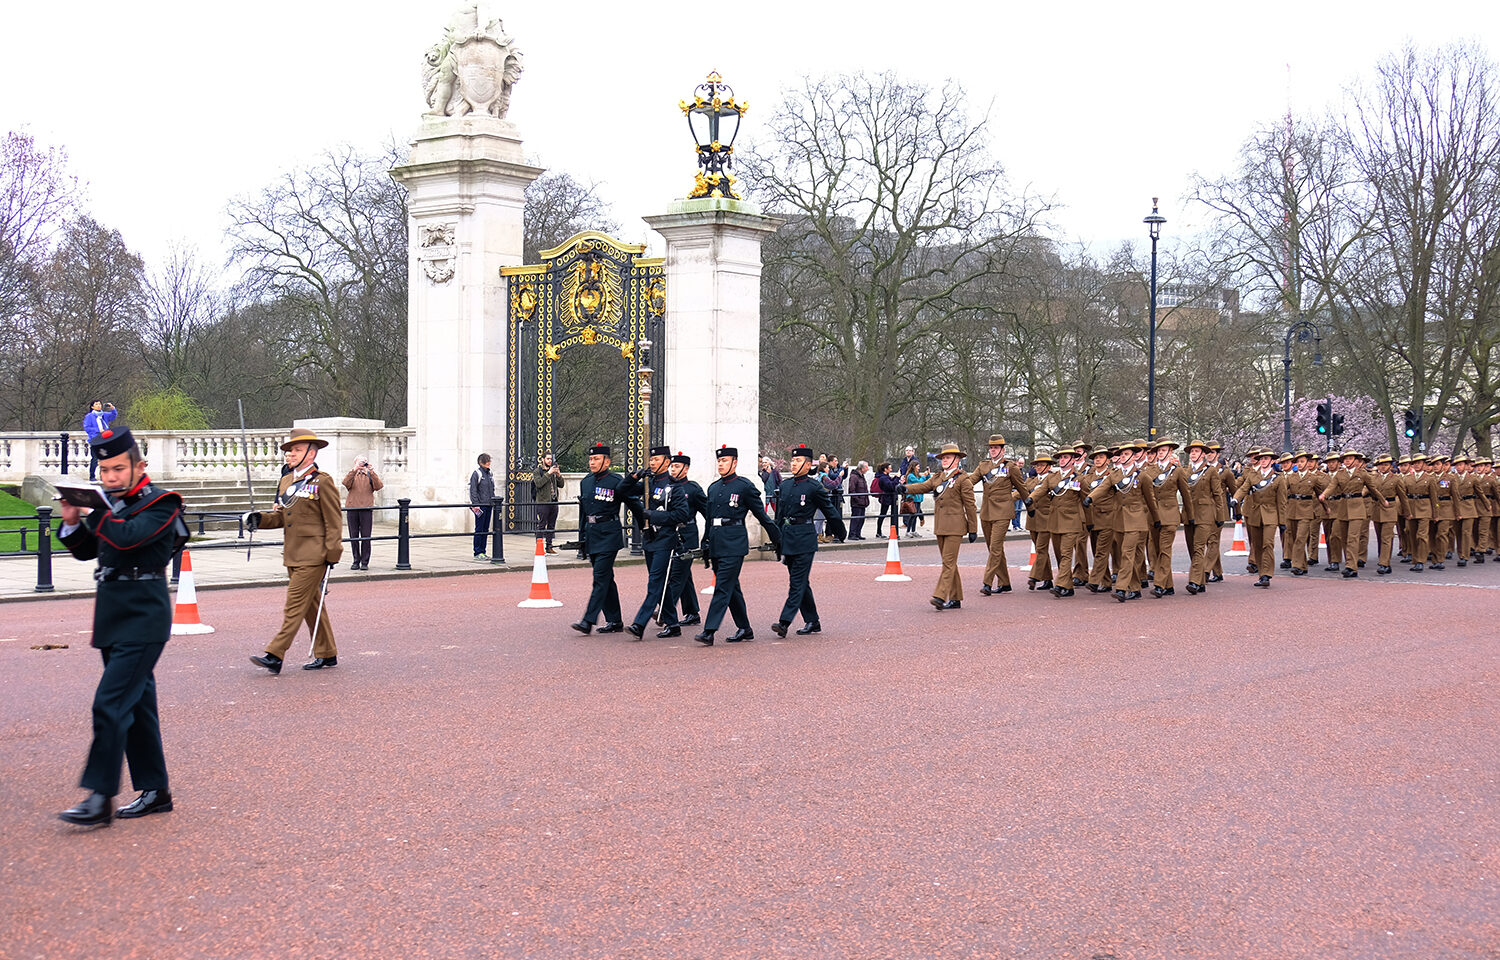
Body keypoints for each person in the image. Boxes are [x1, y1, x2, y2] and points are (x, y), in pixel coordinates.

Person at [55, 425, 187, 826]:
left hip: (144, 618)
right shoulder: (110, 504)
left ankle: (100, 798)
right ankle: (156, 790)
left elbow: (129, 538)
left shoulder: (164, 503)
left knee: (109, 704)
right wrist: (74, 520)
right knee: (138, 706)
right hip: (113, 615)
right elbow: (87, 551)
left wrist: (101, 511)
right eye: (104, 470)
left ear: (139, 465)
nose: (110, 477)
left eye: (117, 469)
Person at [246, 427, 345, 672]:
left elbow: (333, 521)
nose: (291, 454)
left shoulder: (323, 481)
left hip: (314, 554)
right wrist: (259, 519)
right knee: (311, 606)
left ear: (311, 454)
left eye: (297, 450)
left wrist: (333, 552)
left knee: (294, 605)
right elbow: (282, 518)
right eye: (290, 449)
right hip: (293, 553)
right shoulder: (287, 481)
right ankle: (327, 653)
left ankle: (275, 654)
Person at [695, 445, 779, 645]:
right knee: (732, 588)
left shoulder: (744, 486)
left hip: (734, 543)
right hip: (717, 541)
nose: (721, 464)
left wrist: (778, 537)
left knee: (722, 587)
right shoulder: (713, 488)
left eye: (725, 461)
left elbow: (761, 515)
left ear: (735, 462)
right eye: (719, 461)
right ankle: (745, 628)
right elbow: (709, 518)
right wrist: (705, 541)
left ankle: (709, 630)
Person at [771, 445, 847, 636]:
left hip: (805, 538)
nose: (794, 464)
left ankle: (784, 622)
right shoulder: (785, 485)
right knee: (801, 582)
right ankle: (813, 621)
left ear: (807, 465)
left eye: (798, 461)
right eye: (793, 461)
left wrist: (840, 532)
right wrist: (777, 538)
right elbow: (780, 515)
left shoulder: (814, 487)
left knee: (796, 582)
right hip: (788, 538)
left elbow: (830, 511)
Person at [570, 444, 640, 635]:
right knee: (606, 578)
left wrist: (646, 526)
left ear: (607, 461)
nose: (592, 462)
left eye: (596, 459)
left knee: (600, 577)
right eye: (591, 459)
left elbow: (634, 504)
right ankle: (615, 620)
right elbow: (584, 513)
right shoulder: (585, 482)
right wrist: (582, 539)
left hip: (609, 534)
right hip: (592, 534)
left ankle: (588, 620)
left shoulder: (616, 481)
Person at [901, 443, 978, 610]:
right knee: (949, 562)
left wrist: (973, 529)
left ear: (957, 460)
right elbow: (924, 486)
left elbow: (970, 506)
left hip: (955, 527)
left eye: (948, 457)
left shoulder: (963, 479)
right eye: (943, 457)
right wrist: (905, 488)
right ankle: (956, 598)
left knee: (948, 563)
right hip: (941, 525)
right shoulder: (938, 477)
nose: (944, 460)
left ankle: (940, 595)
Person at [649, 452, 706, 637]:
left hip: (687, 534)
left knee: (675, 576)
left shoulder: (693, 488)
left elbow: (708, 512)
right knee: (684, 575)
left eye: (676, 466)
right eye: (671, 466)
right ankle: (692, 612)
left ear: (686, 468)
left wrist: (709, 537)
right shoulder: (667, 486)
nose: (673, 469)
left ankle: (666, 610)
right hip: (670, 534)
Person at [626, 446, 679, 639]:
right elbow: (622, 492)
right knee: (661, 584)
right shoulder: (648, 483)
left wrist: (653, 515)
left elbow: (680, 514)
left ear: (667, 461)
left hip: (665, 539)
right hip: (650, 539)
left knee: (655, 583)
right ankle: (673, 624)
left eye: (656, 460)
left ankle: (639, 624)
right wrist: (634, 477)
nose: (652, 462)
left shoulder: (674, 486)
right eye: (651, 460)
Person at [966, 434, 1026, 595]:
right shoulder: (983, 466)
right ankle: (1005, 582)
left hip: (1003, 511)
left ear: (1002, 449)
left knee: (995, 548)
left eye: (996, 448)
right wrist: (957, 486)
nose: (993, 450)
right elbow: (971, 480)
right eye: (991, 448)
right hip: (986, 512)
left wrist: (1030, 504)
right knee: (994, 548)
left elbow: (1022, 488)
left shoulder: (1010, 467)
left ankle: (987, 582)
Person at [1139, 439, 1189, 598]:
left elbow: (1186, 495)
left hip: (1170, 514)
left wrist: (1190, 515)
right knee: (1158, 550)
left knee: (1165, 550)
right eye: (1158, 451)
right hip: (1153, 516)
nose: (1160, 453)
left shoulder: (1177, 471)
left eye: (1163, 451)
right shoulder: (1149, 470)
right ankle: (1169, 586)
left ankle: (1160, 585)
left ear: (1170, 452)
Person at [1036, 447, 1087, 598]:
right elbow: (1041, 491)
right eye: (1061, 457)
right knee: (1059, 554)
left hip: (1071, 521)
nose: (1062, 460)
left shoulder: (1079, 479)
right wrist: (1030, 499)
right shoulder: (1052, 478)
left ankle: (1059, 584)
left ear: (1072, 459)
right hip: (1055, 522)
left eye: (1065, 457)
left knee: (1066, 554)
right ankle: (1068, 586)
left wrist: (1089, 522)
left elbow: (1087, 501)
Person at [1180, 441, 1225, 593]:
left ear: (1203, 454)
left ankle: (1193, 581)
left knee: (1199, 547)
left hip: (1205, 514)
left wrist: (1220, 516)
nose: (1193, 454)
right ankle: (1200, 582)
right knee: (1191, 548)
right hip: (1188, 514)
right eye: (1191, 451)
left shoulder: (1210, 471)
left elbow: (1218, 495)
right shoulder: (1184, 471)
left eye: (1196, 451)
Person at [1234, 449, 1282, 587]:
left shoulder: (1278, 478)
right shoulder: (1253, 476)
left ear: (1272, 461)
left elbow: (1282, 502)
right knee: (1258, 545)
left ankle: (1267, 574)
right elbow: (1244, 488)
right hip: (1255, 514)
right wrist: (1236, 499)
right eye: (1261, 459)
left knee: (1268, 544)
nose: (1263, 461)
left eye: (1266, 459)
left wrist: (1282, 521)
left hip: (1270, 515)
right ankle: (1262, 574)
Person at [342, 455, 383, 571]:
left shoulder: (370, 475)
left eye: (363, 462)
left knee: (366, 536)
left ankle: (365, 562)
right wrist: (354, 470)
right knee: (353, 536)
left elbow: (379, 486)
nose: (361, 464)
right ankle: (356, 560)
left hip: (366, 508)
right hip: (352, 508)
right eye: (359, 462)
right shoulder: (352, 475)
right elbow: (345, 483)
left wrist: (371, 472)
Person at [532, 452, 564, 553]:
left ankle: (549, 546)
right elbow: (538, 483)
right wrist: (549, 473)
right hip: (542, 502)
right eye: (548, 459)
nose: (549, 461)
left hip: (553, 501)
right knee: (542, 524)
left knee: (551, 525)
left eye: (551, 459)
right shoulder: (537, 471)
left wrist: (558, 475)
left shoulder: (553, 472)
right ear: (543, 459)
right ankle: (539, 547)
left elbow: (561, 484)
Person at [82, 401, 118, 481]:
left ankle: (103, 476)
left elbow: (113, 416)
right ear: (92, 407)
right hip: (95, 439)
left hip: (105, 439)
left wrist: (112, 408)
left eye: (99, 404)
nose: (99, 406)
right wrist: (99, 430)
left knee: (105, 459)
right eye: (96, 404)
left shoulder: (104, 415)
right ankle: (92, 476)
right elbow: (87, 428)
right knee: (95, 459)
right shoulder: (89, 416)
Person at [469, 454, 496, 560]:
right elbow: (473, 490)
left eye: (489, 460)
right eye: (487, 461)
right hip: (481, 505)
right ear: (481, 462)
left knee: (485, 529)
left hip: (489, 505)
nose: (489, 462)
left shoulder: (490, 474)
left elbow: (492, 489)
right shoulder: (477, 474)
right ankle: (477, 551)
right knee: (479, 528)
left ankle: (483, 551)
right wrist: (476, 504)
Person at [904, 461, 929, 537]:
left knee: (915, 515)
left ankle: (913, 530)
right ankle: (908, 531)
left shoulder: (917, 475)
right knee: (912, 515)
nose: (919, 468)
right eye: (917, 466)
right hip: (913, 498)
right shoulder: (910, 476)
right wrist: (924, 476)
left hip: (918, 498)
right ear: (914, 467)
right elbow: (919, 482)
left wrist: (927, 475)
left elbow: (926, 481)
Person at [874, 463, 900, 537]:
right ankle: (879, 531)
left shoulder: (885, 477)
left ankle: (891, 531)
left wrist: (896, 477)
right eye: (890, 468)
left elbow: (891, 482)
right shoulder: (883, 478)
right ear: (885, 469)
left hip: (889, 497)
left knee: (890, 514)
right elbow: (891, 486)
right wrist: (897, 477)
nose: (891, 469)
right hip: (886, 498)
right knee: (883, 514)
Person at [847, 461, 871, 540]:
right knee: (856, 518)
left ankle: (857, 533)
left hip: (862, 501)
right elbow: (852, 489)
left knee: (861, 519)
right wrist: (858, 499)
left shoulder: (861, 476)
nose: (867, 469)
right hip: (857, 502)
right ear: (862, 468)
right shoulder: (854, 477)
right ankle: (852, 534)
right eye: (866, 467)